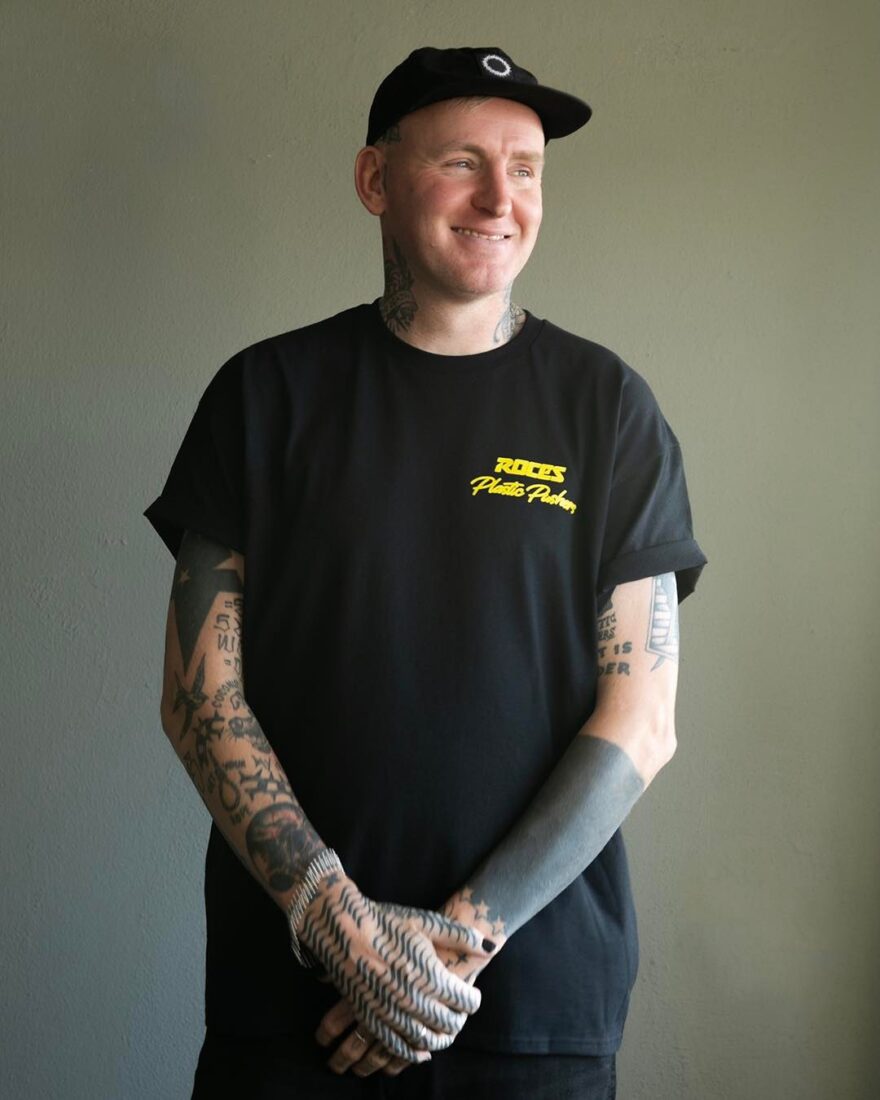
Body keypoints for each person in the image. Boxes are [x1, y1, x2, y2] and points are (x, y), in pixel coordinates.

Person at [144, 45, 707, 1099]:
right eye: (462, 162)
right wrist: (336, 923)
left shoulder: (608, 410)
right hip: (292, 1011)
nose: (501, 198)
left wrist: (443, 950)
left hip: (528, 1012)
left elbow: (641, 721)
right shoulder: (264, 398)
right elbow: (199, 698)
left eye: (526, 169)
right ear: (375, 179)